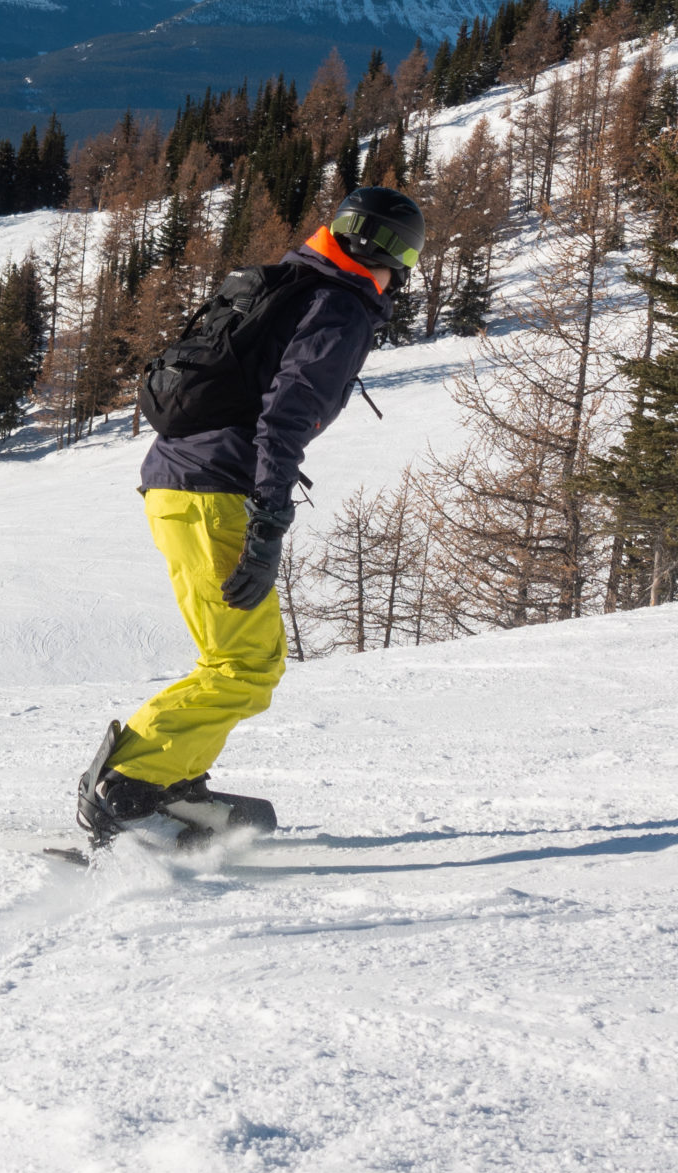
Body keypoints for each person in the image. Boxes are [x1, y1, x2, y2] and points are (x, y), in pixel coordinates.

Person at [77, 184, 426, 845]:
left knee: (241, 658)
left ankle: (172, 778)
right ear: (390, 256)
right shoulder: (338, 308)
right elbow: (285, 416)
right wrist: (268, 518)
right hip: (215, 493)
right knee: (242, 666)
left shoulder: (293, 282)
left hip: (181, 486)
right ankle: (127, 789)